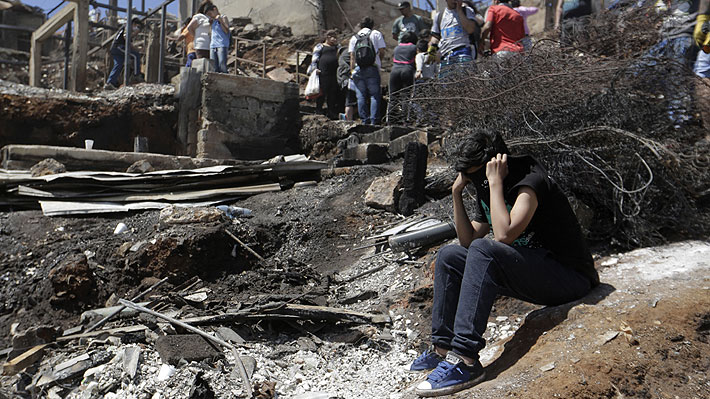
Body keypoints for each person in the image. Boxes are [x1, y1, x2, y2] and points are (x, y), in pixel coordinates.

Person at [409, 130, 599, 397]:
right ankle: (442, 348)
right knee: (449, 257)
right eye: (470, 177)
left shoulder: (530, 181)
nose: (475, 181)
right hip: (535, 271)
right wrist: (456, 193)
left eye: (477, 175)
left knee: (485, 249)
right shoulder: (487, 185)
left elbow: (504, 235)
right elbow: (466, 240)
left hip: (569, 277)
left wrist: (495, 184)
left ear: (496, 162)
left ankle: (465, 359)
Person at [349, 17, 387, 125]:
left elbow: (352, 56)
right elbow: (382, 51)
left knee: (360, 96)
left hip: (358, 68)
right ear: (372, 25)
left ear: (361, 25)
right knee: (374, 95)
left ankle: (364, 120)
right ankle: (374, 121)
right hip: (372, 67)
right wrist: (379, 61)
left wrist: (352, 71)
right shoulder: (375, 33)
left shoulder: (354, 37)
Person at [429, 0, 480, 75]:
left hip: (463, 52)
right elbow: (435, 37)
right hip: (445, 56)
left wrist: (459, 10)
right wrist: (431, 52)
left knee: (465, 82)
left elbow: (470, 29)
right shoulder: (439, 16)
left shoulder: (467, 11)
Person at [308, 30, 342, 119]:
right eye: (332, 37)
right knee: (322, 91)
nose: (334, 39)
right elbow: (314, 59)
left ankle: (331, 111)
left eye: (335, 37)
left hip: (334, 73)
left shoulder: (338, 47)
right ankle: (319, 110)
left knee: (332, 92)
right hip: (323, 73)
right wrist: (314, 69)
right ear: (327, 37)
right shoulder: (320, 47)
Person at [104, 17, 143, 90]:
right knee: (135, 56)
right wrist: (135, 33)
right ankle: (136, 75)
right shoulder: (127, 27)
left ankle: (110, 83)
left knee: (118, 64)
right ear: (133, 24)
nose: (138, 29)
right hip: (118, 47)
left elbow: (129, 44)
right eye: (137, 27)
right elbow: (126, 38)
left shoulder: (126, 28)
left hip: (115, 48)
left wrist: (136, 48)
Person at [337, 47, 357, 121]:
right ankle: (348, 119)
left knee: (350, 100)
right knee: (351, 100)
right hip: (349, 79)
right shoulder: (349, 53)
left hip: (343, 80)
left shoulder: (342, 57)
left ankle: (346, 116)